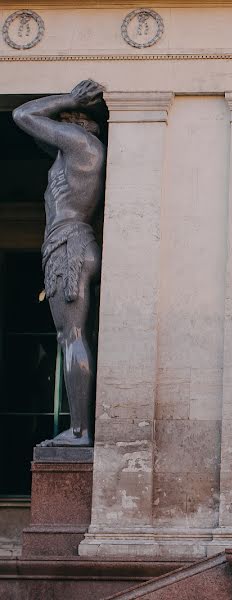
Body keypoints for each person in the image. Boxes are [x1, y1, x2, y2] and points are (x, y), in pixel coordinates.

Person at [12, 80, 106, 447]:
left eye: (65, 119)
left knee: (71, 336)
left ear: (78, 125)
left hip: (69, 244)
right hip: (72, 243)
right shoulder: (73, 153)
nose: (57, 124)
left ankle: (80, 431)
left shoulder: (80, 144)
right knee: (72, 335)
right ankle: (80, 428)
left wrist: (69, 99)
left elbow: (24, 114)